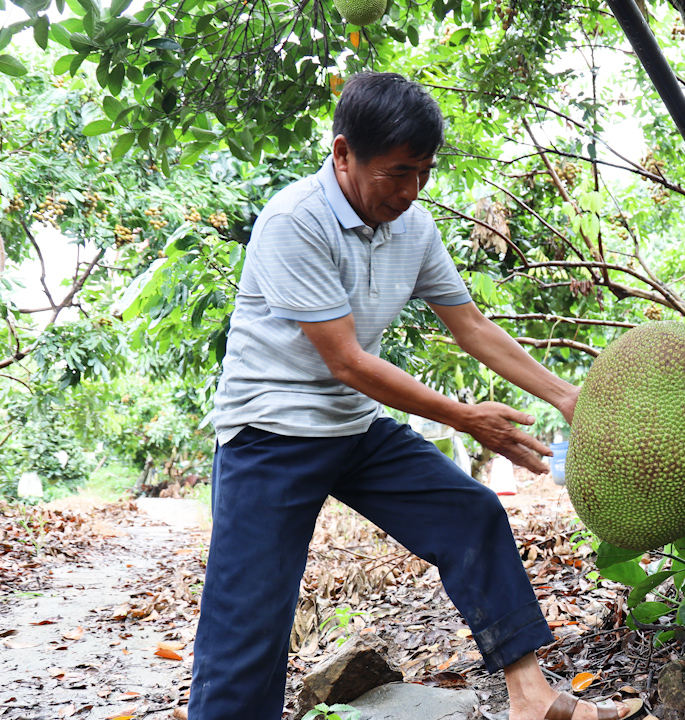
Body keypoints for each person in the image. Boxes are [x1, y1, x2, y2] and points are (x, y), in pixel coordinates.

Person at [189, 72, 626, 720]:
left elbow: (471, 324)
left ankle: (532, 699)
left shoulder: (412, 226)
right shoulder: (295, 222)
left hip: (351, 429)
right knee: (248, 621)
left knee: (472, 516)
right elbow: (347, 361)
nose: (411, 189)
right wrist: (466, 418)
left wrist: (567, 396)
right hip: (269, 434)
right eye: (397, 172)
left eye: (422, 171)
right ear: (343, 155)